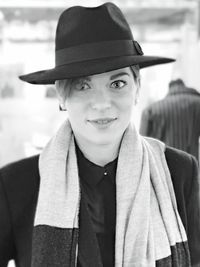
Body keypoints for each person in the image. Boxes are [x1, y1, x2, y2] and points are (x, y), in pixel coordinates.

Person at [0, 3, 200, 267]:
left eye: (117, 84)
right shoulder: (16, 185)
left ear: (137, 87)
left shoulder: (179, 171)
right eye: (83, 85)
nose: (102, 103)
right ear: (62, 94)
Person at [140, 78, 200, 161]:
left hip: (164, 166)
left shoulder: (151, 110)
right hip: (193, 165)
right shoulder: (197, 103)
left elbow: (142, 146)